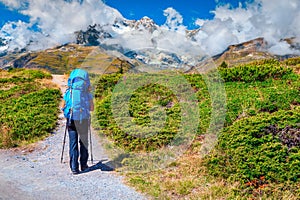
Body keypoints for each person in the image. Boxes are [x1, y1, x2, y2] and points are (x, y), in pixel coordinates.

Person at [61, 69, 94, 175]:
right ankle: (83, 165)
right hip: (83, 120)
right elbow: (92, 108)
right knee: (84, 142)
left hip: (71, 120)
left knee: (73, 143)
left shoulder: (68, 92)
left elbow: (63, 106)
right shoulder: (87, 94)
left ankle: (74, 168)